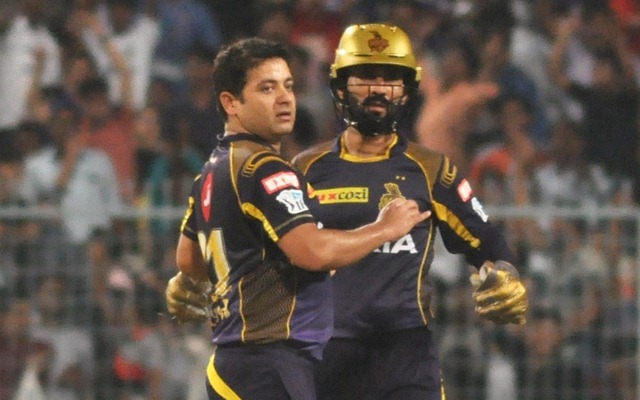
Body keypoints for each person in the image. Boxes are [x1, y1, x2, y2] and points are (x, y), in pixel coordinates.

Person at [164, 37, 431, 400]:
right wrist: (385, 228)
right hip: (271, 366)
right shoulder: (266, 168)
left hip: (234, 364)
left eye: (288, 86)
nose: (285, 98)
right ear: (231, 102)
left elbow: (188, 261)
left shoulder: (211, 171)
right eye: (266, 88)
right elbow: (312, 252)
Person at [291, 23, 529, 400]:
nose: (379, 90)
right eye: (367, 76)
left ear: (408, 89)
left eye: (392, 79)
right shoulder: (304, 168)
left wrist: (506, 275)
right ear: (340, 87)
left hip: (405, 357)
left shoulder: (432, 168)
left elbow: (487, 240)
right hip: (320, 353)